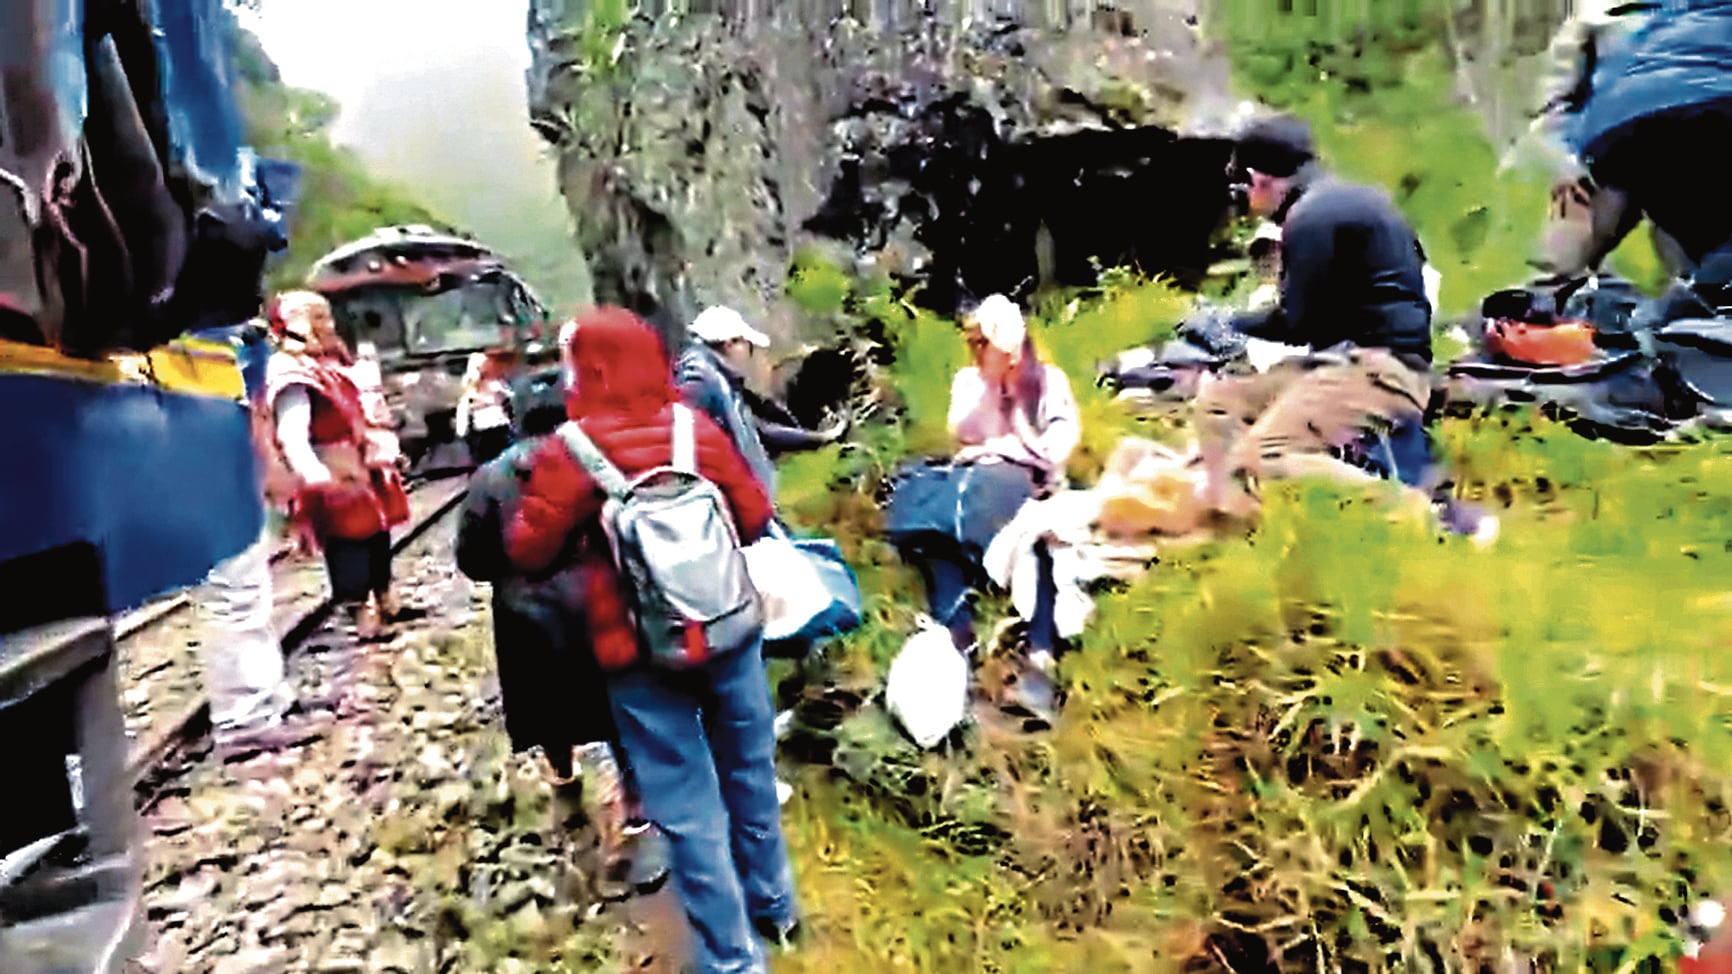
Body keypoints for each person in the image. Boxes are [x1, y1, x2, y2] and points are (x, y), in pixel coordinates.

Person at [506, 307, 801, 972]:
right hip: (729, 629)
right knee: (750, 773)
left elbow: (528, 550)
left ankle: (731, 958)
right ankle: (776, 910)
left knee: (688, 807)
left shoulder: (571, 449)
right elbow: (754, 519)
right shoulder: (693, 429)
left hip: (638, 652)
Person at [454, 361, 668, 900]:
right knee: (619, 710)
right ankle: (635, 815)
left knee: (546, 705)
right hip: (601, 605)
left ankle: (565, 784)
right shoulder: (601, 462)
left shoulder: (490, 478)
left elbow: (473, 560)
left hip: (528, 617)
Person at [1194, 114, 1438, 521]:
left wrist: (1227, 323)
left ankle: (1410, 512)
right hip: (1353, 361)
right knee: (1220, 401)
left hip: (1378, 372)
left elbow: (1297, 323)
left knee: (1263, 459)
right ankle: (1235, 519)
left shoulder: (1310, 218)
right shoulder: (1348, 200)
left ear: (1260, 180)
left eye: (1242, 190)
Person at [887, 294, 1080, 727]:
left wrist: (1009, 438)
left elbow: (1058, 447)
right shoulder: (968, 383)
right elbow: (963, 432)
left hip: (1027, 484)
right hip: (977, 485)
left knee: (1040, 542)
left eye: (983, 343)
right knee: (934, 534)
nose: (975, 352)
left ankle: (1040, 653)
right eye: (971, 343)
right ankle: (958, 640)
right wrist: (991, 386)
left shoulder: (1047, 382)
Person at [194, 317, 322, 763]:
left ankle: (268, 701)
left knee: (250, 589)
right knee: (234, 593)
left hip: (221, 459)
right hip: (208, 460)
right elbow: (245, 406)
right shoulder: (207, 328)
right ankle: (244, 719)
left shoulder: (229, 330)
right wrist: (267, 462)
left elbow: (253, 403)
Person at [264, 291, 410, 641]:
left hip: (358, 465)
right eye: (320, 319)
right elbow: (292, 433)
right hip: (334, 467)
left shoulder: (325, 365)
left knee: (375, 535)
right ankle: (364, 617)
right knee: (349, 543)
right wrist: (315, 474)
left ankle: (386, 600)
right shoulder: (291, 371)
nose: (329, 326)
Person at [1553, 1, 1732, 281]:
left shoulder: (1662, 20)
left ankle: (1557, 285)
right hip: (1713, 105)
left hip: (1617, 120)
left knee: (1653, 199)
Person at [676, 305, 849, 500]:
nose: (749, 356)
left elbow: (758, 429)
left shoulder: (721, 383)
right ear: (731, 343)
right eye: (748, 347)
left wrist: (817, 438)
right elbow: (684, 439)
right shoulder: (700, 381)